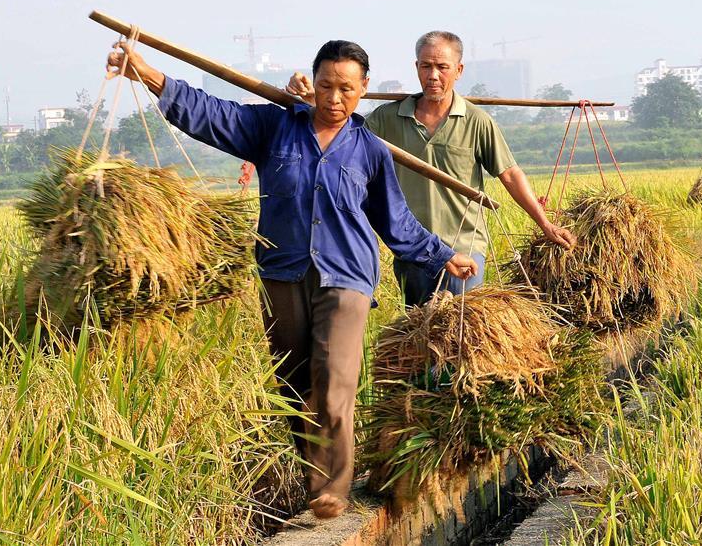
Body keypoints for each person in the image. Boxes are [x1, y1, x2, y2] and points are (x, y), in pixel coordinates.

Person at [106, 39, 478, 520]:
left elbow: (396, 221)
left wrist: (443, 255)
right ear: (313, 82)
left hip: (347, 275)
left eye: (347, 88)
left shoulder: (369, 151)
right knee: (295, 385)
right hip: (282, 272)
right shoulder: (275, 128)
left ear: (364, 88)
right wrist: (148, 75)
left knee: (335, 377)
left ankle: (333, 487)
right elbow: (213, 114)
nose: (335, 98)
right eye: (326, 86)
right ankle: (315, 485)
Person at [286, 31, 576, 307]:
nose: (433, 75)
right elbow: (341, 140)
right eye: (426, 66)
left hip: (464, 247)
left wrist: (545, 224)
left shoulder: (476, 121)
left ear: (458, 70)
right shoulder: (387, 119)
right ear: (416, 68)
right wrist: (315, 102)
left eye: (442, 67)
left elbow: (510, 174)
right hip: (414, 250)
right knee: (418, 332)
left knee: (461, 331)